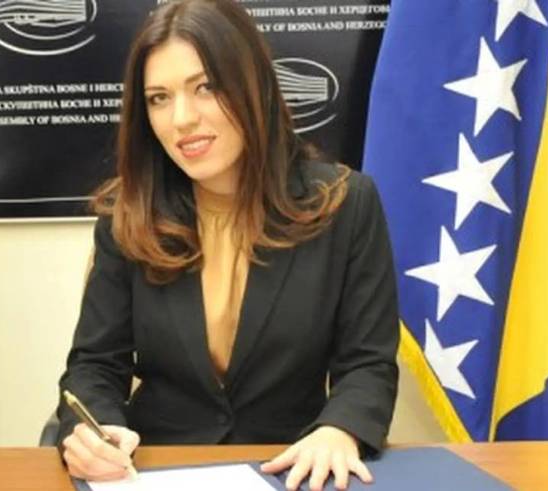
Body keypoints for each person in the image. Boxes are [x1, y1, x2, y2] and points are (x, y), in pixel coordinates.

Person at [56, 1, 399, 490]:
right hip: (156, 469)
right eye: (158, 98)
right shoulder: (127, 215)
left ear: (253, 85)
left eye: (206, 87)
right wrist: (95, 431)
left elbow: (368, 363)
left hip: (292, 466)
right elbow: (94, 366)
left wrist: (339, 429)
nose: (181, 119)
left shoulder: (347, 203)